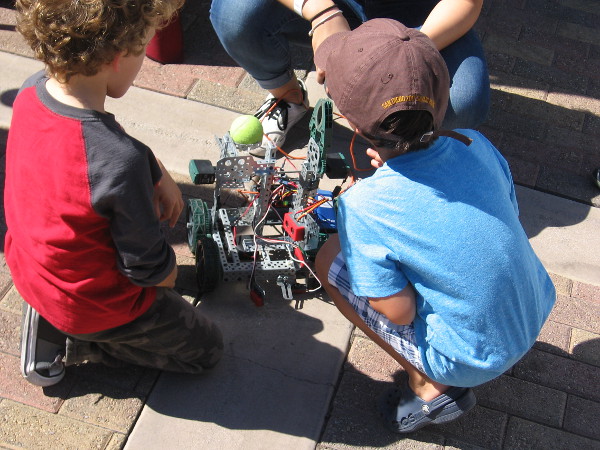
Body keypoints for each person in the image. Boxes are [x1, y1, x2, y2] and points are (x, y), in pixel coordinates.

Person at [312, 19, 556, 433]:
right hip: (535, 308)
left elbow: (399, 312)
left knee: (328, 259)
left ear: (352, 124)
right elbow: (503, 214)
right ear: (443, 97)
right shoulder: (475, 142)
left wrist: (359, 223)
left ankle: (429, 385)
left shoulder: (363, 206)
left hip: (471, 358)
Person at [6, 0, 223, 386]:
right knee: (208, 349)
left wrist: (153, 166)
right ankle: (79, 342)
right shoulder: (121, 163)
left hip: (29, 268)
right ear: (120, 57)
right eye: (145, 46)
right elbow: (147, 268)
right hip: (91, 306)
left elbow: (97, 143)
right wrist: (171, 275)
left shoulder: (32, 90)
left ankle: (52, 313)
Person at [210, 0, 489, 157]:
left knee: (462, 103)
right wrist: (321, 12)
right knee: (234, 16)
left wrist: (410, 54)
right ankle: (288, 99)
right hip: (334, 4)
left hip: (421, 14)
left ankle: (412, 148)